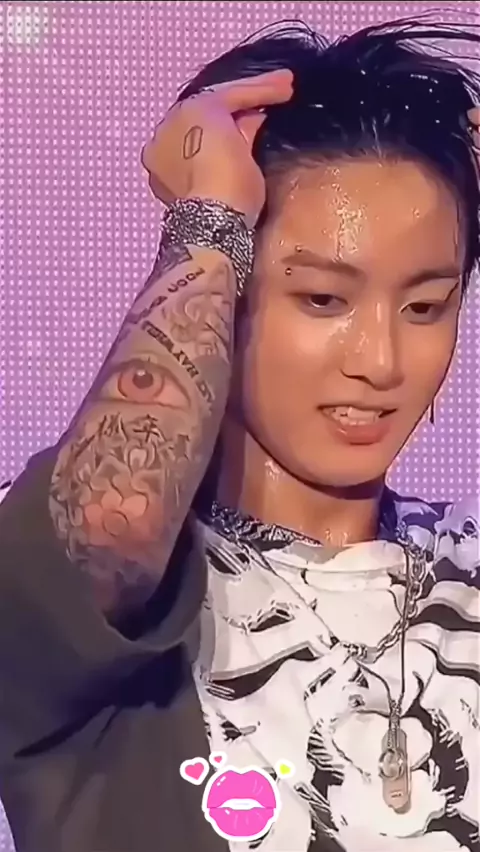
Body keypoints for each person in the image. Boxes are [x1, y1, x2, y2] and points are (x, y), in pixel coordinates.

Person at [0, 16, 479, 852]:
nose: (381, 359)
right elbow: (117, 520)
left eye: (425, 305)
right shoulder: (113, 580)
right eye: (322, 299)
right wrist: (210, 221)